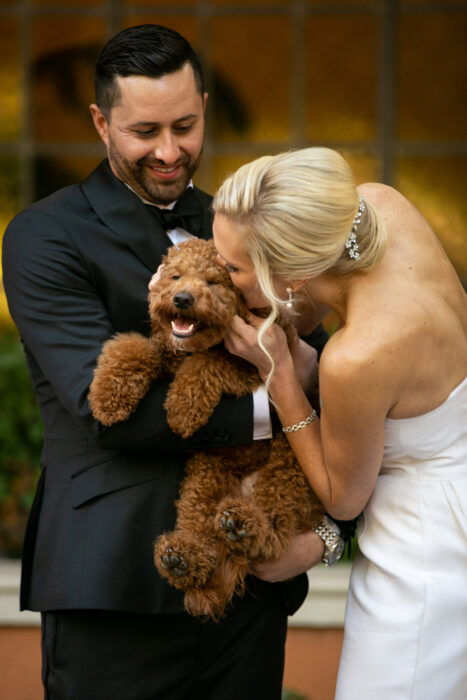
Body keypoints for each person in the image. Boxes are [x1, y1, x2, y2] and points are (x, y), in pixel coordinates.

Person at [2, 25, 349, 700]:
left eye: (185, 126)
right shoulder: (45, 236)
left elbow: (345, 381)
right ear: (101, 123)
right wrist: (283, 398)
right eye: (145, 131)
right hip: (112, 587)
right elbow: (107, 411)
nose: (169, 151)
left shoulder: (241, 224)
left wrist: (325, 535)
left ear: (205, 108)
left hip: (250, 586)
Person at [211, 147, 467, 699]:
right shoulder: (379, 207)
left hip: (424, 551)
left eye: (232, 269)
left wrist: (281, 377)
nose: (222, 276)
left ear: (292, 276)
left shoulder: (356, 358)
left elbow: (344, 499)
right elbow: (319, 297)